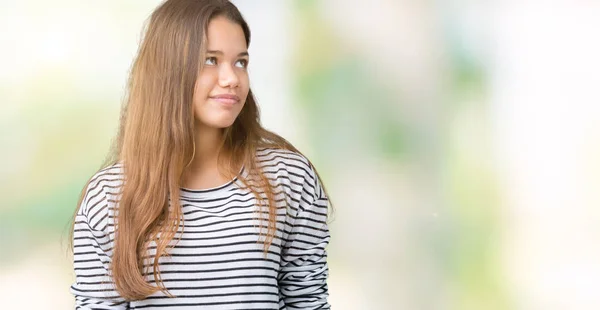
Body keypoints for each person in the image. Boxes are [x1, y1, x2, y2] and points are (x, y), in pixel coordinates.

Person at [68, 0, 332, 309]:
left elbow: (308, 302)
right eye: (211, 60)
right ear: (168, 70)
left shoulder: (289, 179)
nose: (232, 78)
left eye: (240, 62)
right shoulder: (108, 197)